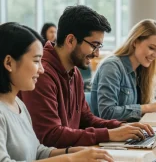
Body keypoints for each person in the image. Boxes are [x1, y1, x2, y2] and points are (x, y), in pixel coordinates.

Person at [18, 5, 154, 148]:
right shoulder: (41, 74)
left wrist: (121, 126)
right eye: (94, 45)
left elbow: (86, 119)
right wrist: (109, 134)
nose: (96, 54)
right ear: (70, 40)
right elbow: (50, 136)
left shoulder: (74, 72)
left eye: (99, 47)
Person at [0, 22, 114, 161]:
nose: (41, 69)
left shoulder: (18, 104)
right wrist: (71, 159)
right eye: (36, 61)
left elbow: (38, 151)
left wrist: (72, 152)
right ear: (9, 63)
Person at [91, 19, 156, 121]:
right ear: (135, 42)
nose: (155, 55)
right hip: (110, 134)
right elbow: (107, 113)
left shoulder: (141, 69)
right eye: (151, 48)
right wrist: (148, 107)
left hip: (131, 131)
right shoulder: (112, 66)